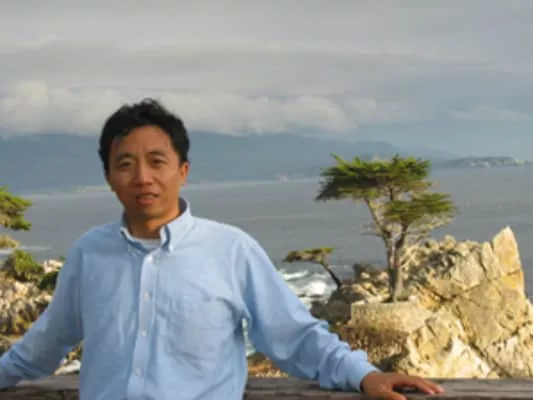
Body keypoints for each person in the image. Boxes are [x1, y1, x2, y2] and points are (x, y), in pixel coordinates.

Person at [0, 99, 443, 400]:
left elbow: (292, 335)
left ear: (182, 171)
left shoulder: (231, 250)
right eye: (125, 164)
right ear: (109, 177)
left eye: (157, 162)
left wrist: (364, 376)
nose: (142, 178)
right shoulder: (88, 253)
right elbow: (48, 341)